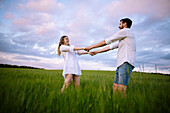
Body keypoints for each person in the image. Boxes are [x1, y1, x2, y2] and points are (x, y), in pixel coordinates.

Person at [86, 18, 136, 97]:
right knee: (115, 87)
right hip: (120, 64)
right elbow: (110, 47)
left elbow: (106, 41)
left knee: (121, 90)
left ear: (125, 24)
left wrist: (91, 47)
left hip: (126, 63)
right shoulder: (124, 38)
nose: (119, 26)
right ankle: (116, 105)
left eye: (120, 24)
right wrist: (96, 52)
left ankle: (123, 107)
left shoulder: (125, 31)